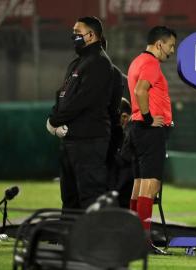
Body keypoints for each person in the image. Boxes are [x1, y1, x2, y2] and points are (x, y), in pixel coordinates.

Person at [46, 16, 123, 210]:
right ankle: (69, 239)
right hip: (71, 140)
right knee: (69, 198)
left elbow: (82, 101)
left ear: (91, 35)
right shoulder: (77, 64)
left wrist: (54, 120)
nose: (73, 37)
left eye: (77, 33)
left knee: (90, 196)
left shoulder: (100, 63)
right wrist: (54, 121)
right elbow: (62, 96)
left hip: (90, 141)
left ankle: (93, 240)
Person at [127, 26, 176, 254]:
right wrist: (148, 119)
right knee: (151, 184)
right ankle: (143, 243)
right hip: (148, 130)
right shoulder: (151, 63)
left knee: (138, 185)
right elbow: (140, 91)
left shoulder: (137, 61)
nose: (172, 51)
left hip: (136, 129)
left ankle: (134, 239)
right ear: (159, 44)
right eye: (170, 45)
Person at [107, 97, 134, 208]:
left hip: (126, 188)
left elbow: (126, 159)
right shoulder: (115, 132)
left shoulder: (132, 132)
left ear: (125, 116)